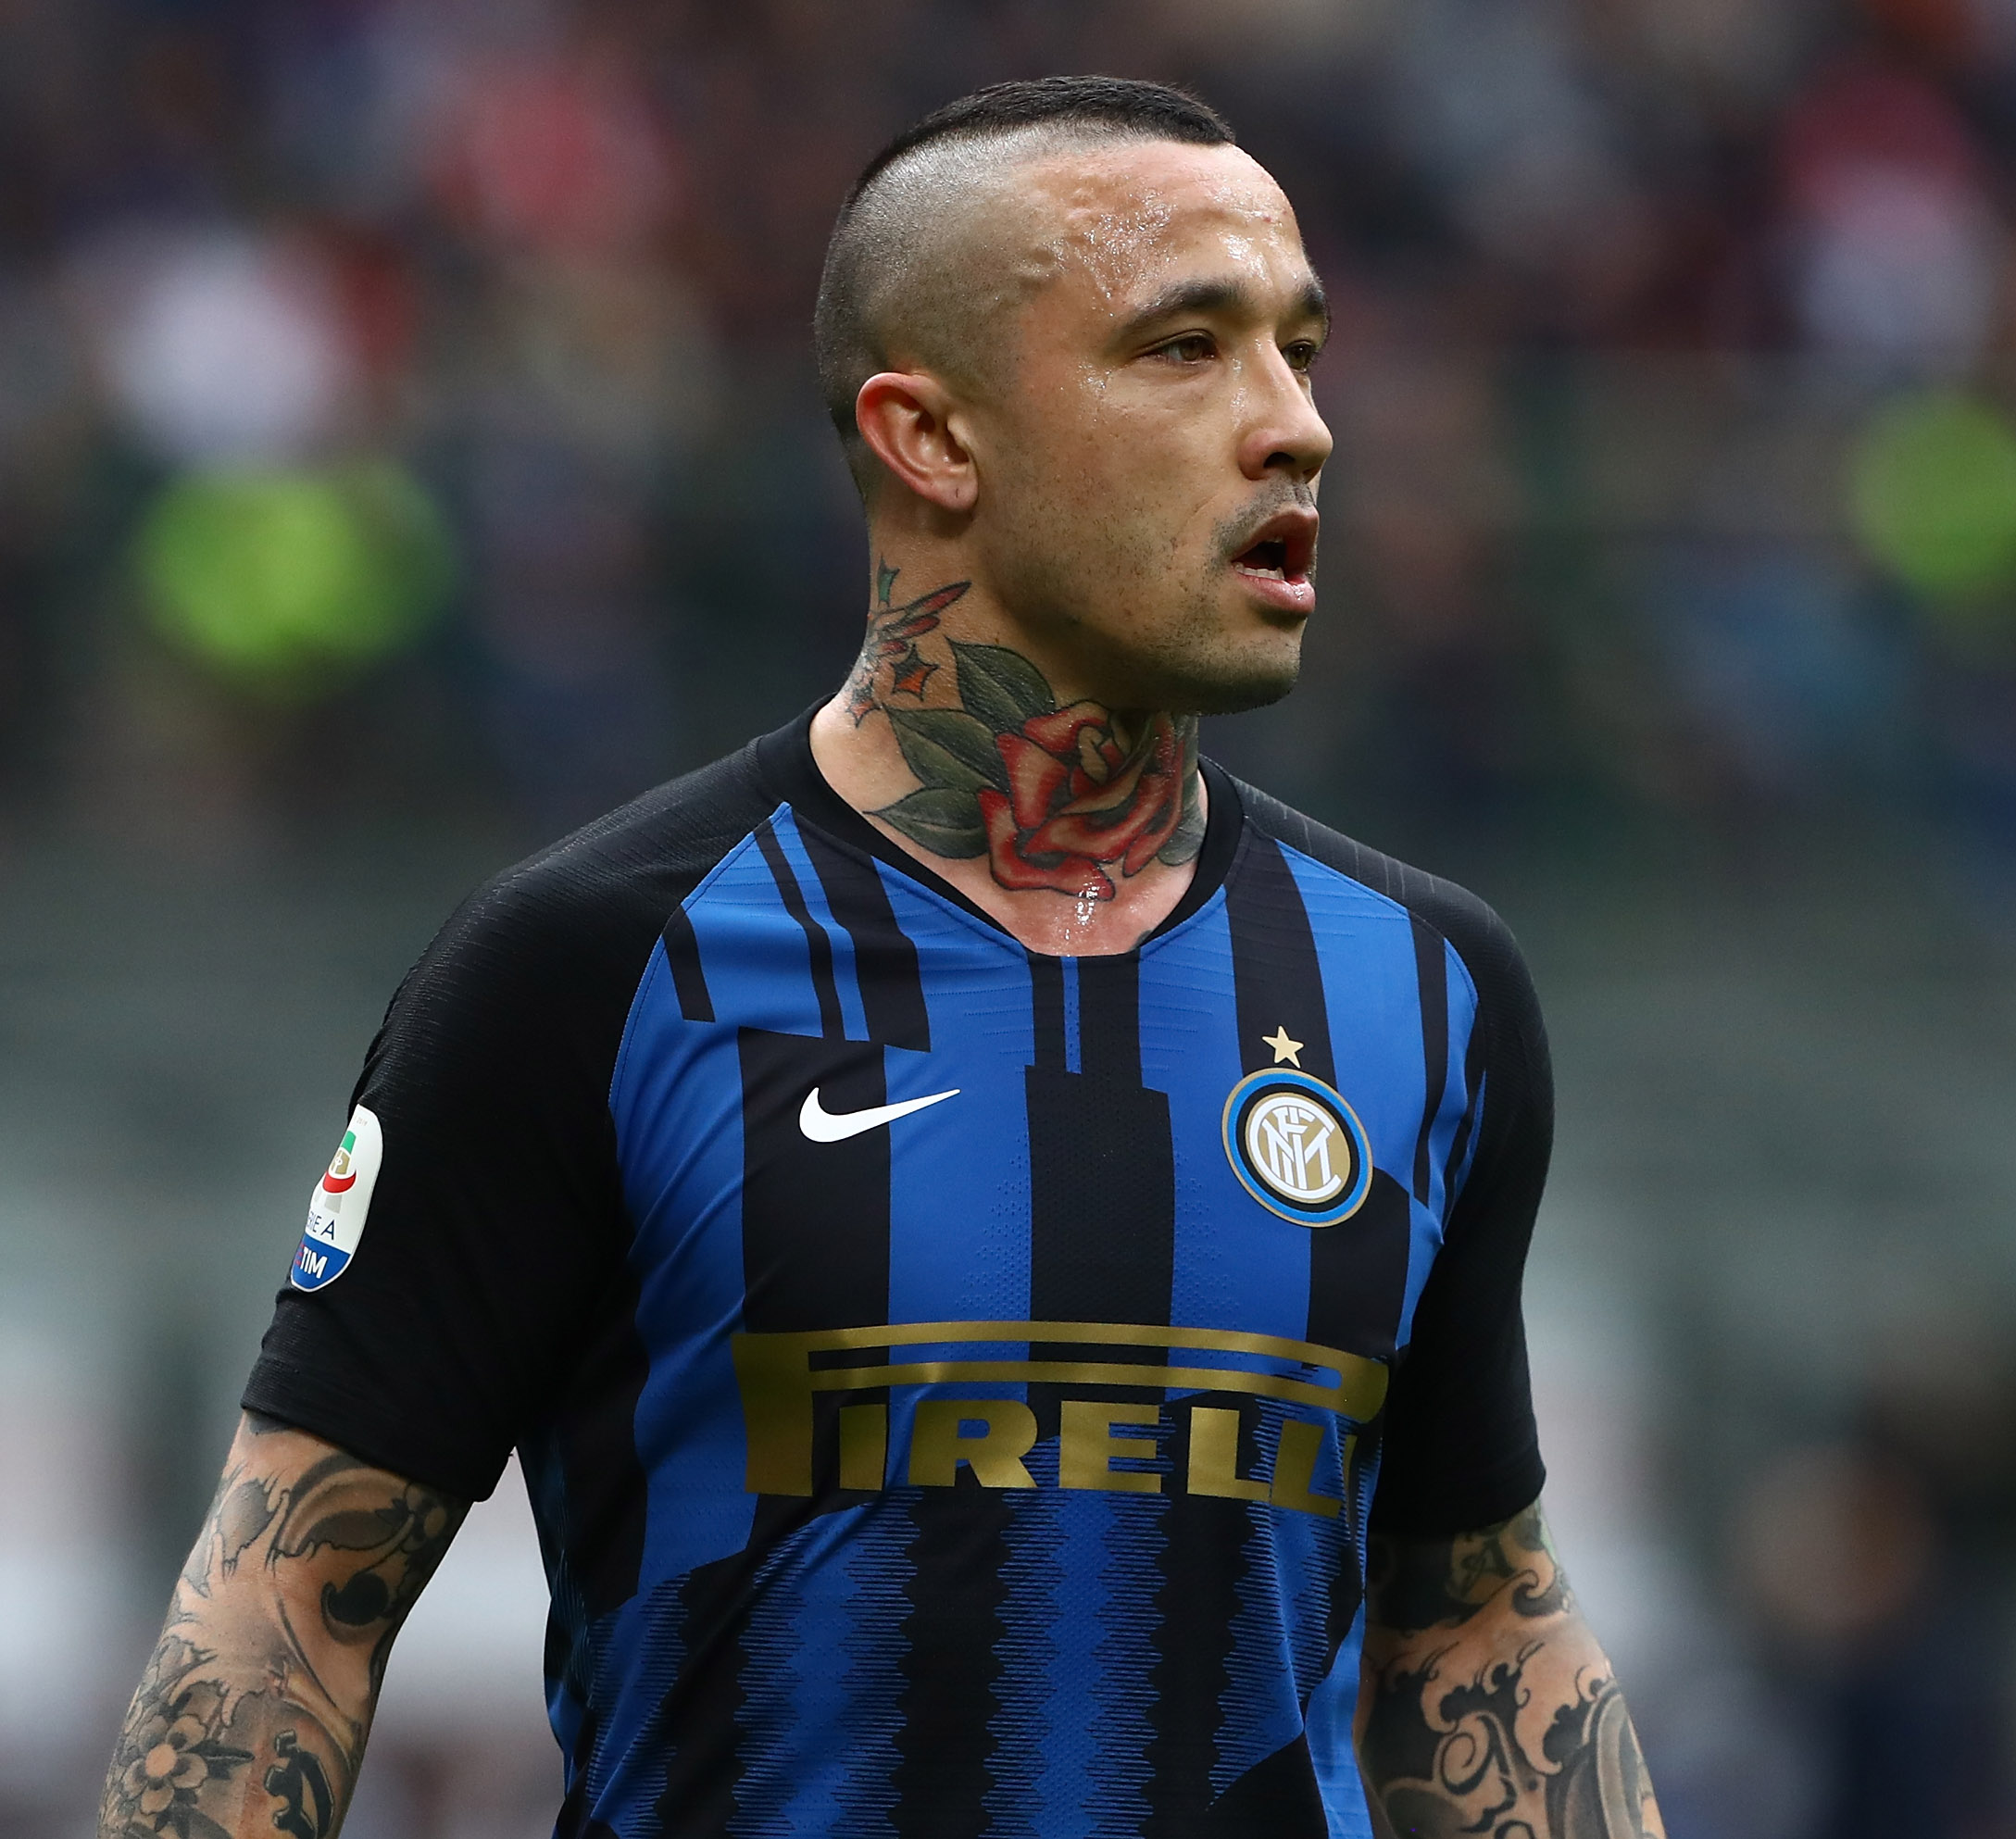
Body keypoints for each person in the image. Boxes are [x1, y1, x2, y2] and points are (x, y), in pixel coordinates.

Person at [96, 75, 1661, 1839]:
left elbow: (1476, 1623)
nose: (1294, 426)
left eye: (1302, 351)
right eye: (1184, 349)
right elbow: (289, 1599)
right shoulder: (592, 967)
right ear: (931, 440)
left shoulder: (1432, 991)